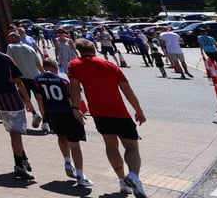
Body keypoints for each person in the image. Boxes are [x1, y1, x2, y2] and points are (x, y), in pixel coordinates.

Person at [69, 38, 148, 198]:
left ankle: (122, 182)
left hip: (99, 113)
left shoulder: (74, 65)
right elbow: (127, 89)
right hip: (119, 112)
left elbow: (74, 88)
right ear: (94, 49)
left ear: (79, 51)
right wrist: (138, 110)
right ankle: (133, 176)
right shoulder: (109, 65)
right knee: (131, 147)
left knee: (111, 146)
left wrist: (75, 107)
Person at [0, 29, 37, 181]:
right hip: (11, 96)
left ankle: (23, 159)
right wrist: (28, 101)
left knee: (12, 131)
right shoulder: (5, 58)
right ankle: (19, 165)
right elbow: (18, 81)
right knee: (16, 132)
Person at [34, 57, 93, 187]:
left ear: (44, 67)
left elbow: (39, 98)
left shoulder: (37, 79)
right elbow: (72, 97)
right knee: (75, 144)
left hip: (51, 113)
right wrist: (77, 110)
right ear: (55, 68)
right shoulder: (63, 80)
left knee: (61, 136)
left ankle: (67, 161)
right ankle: (80, 175)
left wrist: (45, 117)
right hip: (67, 113)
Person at [7, 31, 46, 131]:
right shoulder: (30, 48)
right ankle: (45, 122)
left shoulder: (10, 47)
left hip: (22, 77)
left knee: (24, 98)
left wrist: (10, 76)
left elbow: (9, 61)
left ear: (13, 38)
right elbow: (38, 63)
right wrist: (44, 75)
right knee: (40, 99)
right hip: (35, 76)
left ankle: (34, 113)